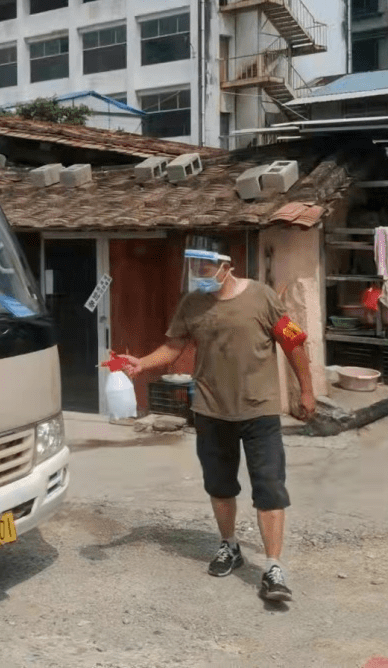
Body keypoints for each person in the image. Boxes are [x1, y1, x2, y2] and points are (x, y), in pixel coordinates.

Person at [123, 235, 316, 603]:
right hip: (211, 412)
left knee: (270, 488)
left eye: (205, 266)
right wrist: (141, 363)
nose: (199, 273)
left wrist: (305, 390)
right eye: (194, 267)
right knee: (220, 486)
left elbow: (293, 341)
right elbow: (174, 346)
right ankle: (230, 546)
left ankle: (273, 566)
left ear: (227, 266)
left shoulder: (262, 297)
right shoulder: (192, 303)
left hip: (259, 411)